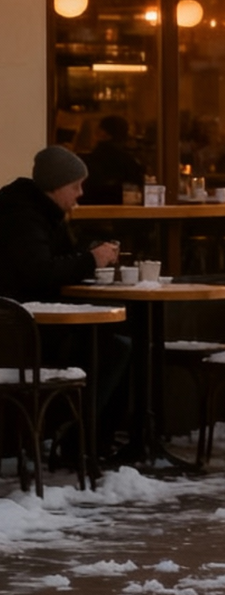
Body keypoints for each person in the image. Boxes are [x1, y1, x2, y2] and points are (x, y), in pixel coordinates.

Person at [0, 146, 128, 456]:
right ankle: (79, 442)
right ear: (56, 187)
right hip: (23, 334)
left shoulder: (36, 212)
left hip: (29, 325)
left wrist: (87, 256)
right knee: (114, 349)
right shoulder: (25, 218)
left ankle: (89, 440)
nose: (79, 194)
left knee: (117, 343)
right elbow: (38, 271)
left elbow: (50, 261)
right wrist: (89, 261)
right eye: (75, 186)